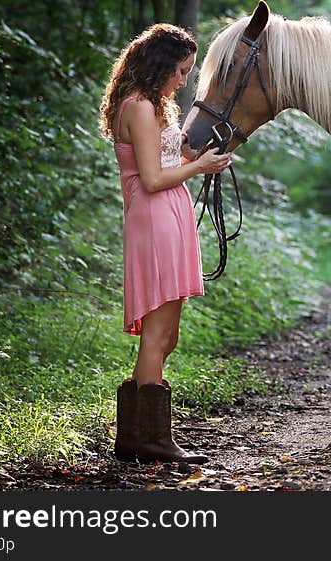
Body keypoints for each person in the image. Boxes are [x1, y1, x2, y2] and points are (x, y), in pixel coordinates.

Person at [98, 24, 231, 463]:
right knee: (156, 335)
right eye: (180, 70)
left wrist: (203, 158)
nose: (184, 80)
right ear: (160, 66)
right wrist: (198, 169)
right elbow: (152, 179)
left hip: (169, 215)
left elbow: (169, 158)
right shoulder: (136, 107)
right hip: (155, 216)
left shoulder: (158, 105)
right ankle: (149, 439)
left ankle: (138, 433)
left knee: (167, 334)